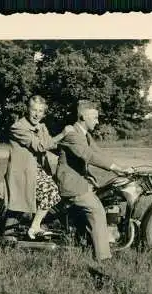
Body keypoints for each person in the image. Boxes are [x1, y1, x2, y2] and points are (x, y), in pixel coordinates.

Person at [55, 100, 133, 261]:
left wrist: (122, 167)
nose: (97, 121)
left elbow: (98, 152)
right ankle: (103, 258)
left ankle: (97, 240)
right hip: (71, 184)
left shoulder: (85, 135)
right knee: (96, 209)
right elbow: (89, 156)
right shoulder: (73, 134)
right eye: (95, 117)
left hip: (80, 181)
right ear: (83, 116)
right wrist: (116, 168)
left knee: (107, 199)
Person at [0, 95, 74, 241]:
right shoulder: (19, 127)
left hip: (38, 171)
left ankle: (39, 227)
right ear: (27, 109)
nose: (37, 114)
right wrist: (62, 134)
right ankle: (34, 227)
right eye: (34, 110)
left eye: (40, 111)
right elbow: (40, 146)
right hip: (24, 173)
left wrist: (71, 149)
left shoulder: (41, 127)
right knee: (50, 192)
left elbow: (50, 145)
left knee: (52, 194)